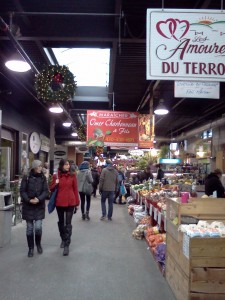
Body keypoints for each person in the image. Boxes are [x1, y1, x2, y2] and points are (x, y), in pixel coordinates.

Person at [49, 158, 80, 256]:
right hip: (59, 202)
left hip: (71, 201)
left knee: (68, 223)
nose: (68, 166)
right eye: (66, 164)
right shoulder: (56, 176)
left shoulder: (73, 175)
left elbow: (75, 189)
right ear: (61, 165)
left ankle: (67, 244)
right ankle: (63, 238)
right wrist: (56, 183)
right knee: (61, 222)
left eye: (68, 165)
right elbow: (51, 188)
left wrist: (77, 203)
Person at [20, 160, 49, 258]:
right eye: (39, 166)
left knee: (38, 228)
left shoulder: (43, 178)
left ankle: (38, 244)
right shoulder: (27, 177)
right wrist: (28, 200)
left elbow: (45, 191)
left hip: (39, 206)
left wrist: (39, 199)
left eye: (41, 166)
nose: (41, 168)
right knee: (29, 229)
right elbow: (22, 191)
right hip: (28, 206)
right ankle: (31, 248)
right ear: (34, 167)